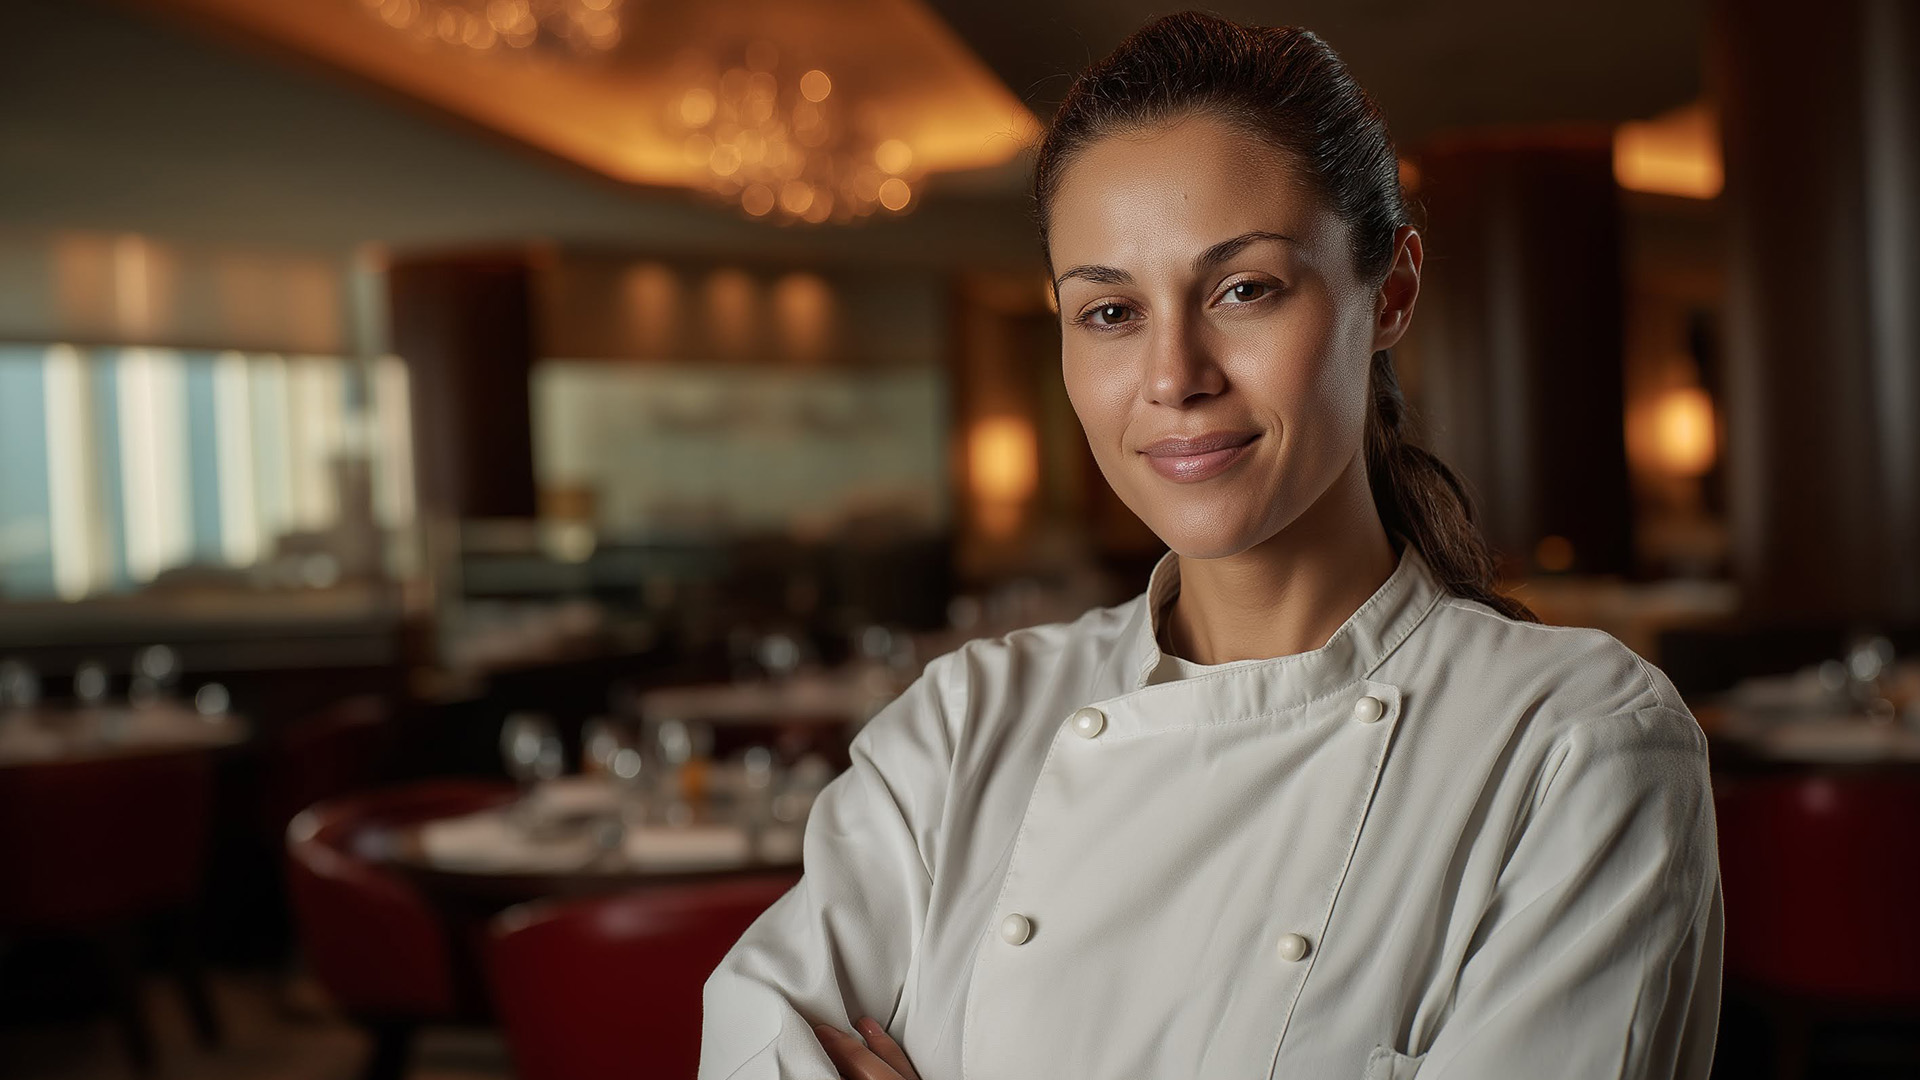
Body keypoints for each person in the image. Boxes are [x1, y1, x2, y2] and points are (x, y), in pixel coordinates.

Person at [698, 12, 1722, 1080]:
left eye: (1245, 290)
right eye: (1109, 312)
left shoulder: (1576, 747)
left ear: (1393, 293)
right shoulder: (961, 731)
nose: (1175, 374)